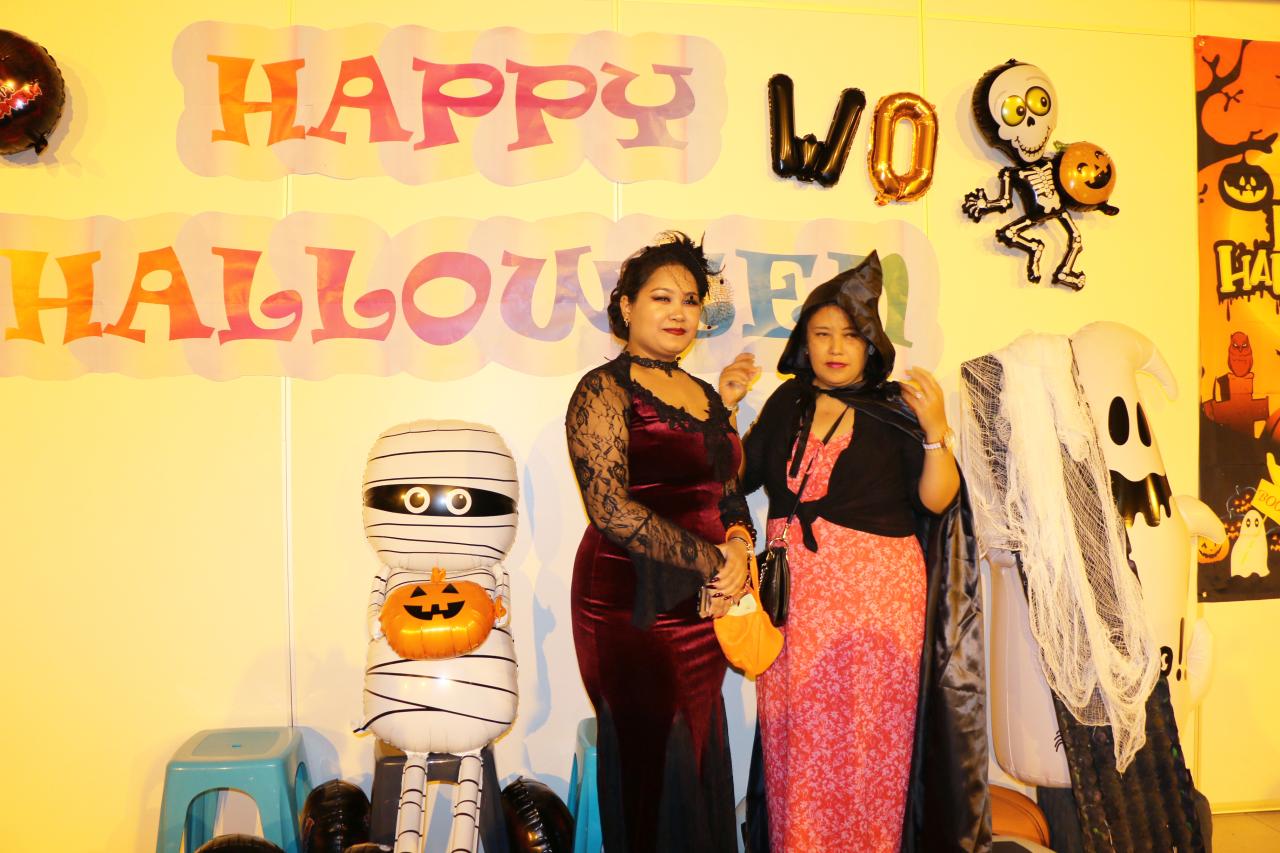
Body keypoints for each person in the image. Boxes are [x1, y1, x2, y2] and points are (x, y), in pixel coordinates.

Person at [724, 252, 989, 852]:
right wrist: (728, 409)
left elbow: (938, 499)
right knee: (797, 737)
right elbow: (739, 478)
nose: (835, 348)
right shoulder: (787, 404)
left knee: (870, 740)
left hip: (877, 601)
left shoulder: (895, 407)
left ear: (871, 344)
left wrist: (935, 430)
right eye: (821, 334)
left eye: (850, 335)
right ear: (804, 342)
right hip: (796, 600)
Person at [565, 232, 753, 853]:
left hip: (704, 602)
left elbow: (726, 488)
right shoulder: (602, 389)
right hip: (630, 603)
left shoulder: (703, 394)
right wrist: (714, 561)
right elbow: (609, 508)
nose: (679, 313)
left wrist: (739, 543)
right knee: (652, 757)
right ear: (627, 306)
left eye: (691, 301)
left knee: (696, 746)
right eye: (662, 298)